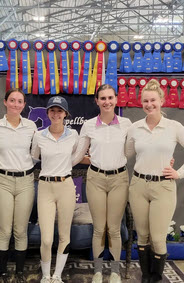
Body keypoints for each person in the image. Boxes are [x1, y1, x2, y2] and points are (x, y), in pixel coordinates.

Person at [125, 79, 184, 283]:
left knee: (158, 238)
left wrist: (179, 172)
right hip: (138, 186)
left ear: (161, 100)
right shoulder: (135, 128)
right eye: (145, 101)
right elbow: (125, 155)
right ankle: (146, 276)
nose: (149, 104)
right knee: (142, 236)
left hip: (163, 187)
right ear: (141, 103)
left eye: (153, 100)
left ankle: (156, 278)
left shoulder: (173, 127)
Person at [72, 84, 132, 283]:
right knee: (99, 228)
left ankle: (114, 272)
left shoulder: (126, 124)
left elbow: (134, 151)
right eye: (102, 98)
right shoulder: (89, 125)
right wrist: (54, 165)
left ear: (116, 99)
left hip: (119, 179)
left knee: (113, 229)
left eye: (110, 98)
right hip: (96, 179)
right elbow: (78, 155)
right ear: (96, 101)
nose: (107, 102)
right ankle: (98, 271)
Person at [0, 88, 37, 283]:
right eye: (12, 100)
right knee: (5, 230)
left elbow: (36, 153)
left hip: (25, 181)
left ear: (24, 105)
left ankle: (19, 273)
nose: (15, 104)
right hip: (3, 181)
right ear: (5, 102)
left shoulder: (31, 126)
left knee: (20, 230)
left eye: (19, 101)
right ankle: (2, 273)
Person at [31, 96, 79, 283]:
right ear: (48, 112)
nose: (56, 114)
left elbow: (76, 156)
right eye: (52, 110)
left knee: (64, 235)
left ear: (65, 114)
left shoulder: (73, 135)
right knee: (46, 239)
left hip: (66, 186)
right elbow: (34, 157)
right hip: (45, 187)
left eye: (60, 111)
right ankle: (45, 275)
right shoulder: (39, 136)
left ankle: (57, 275)